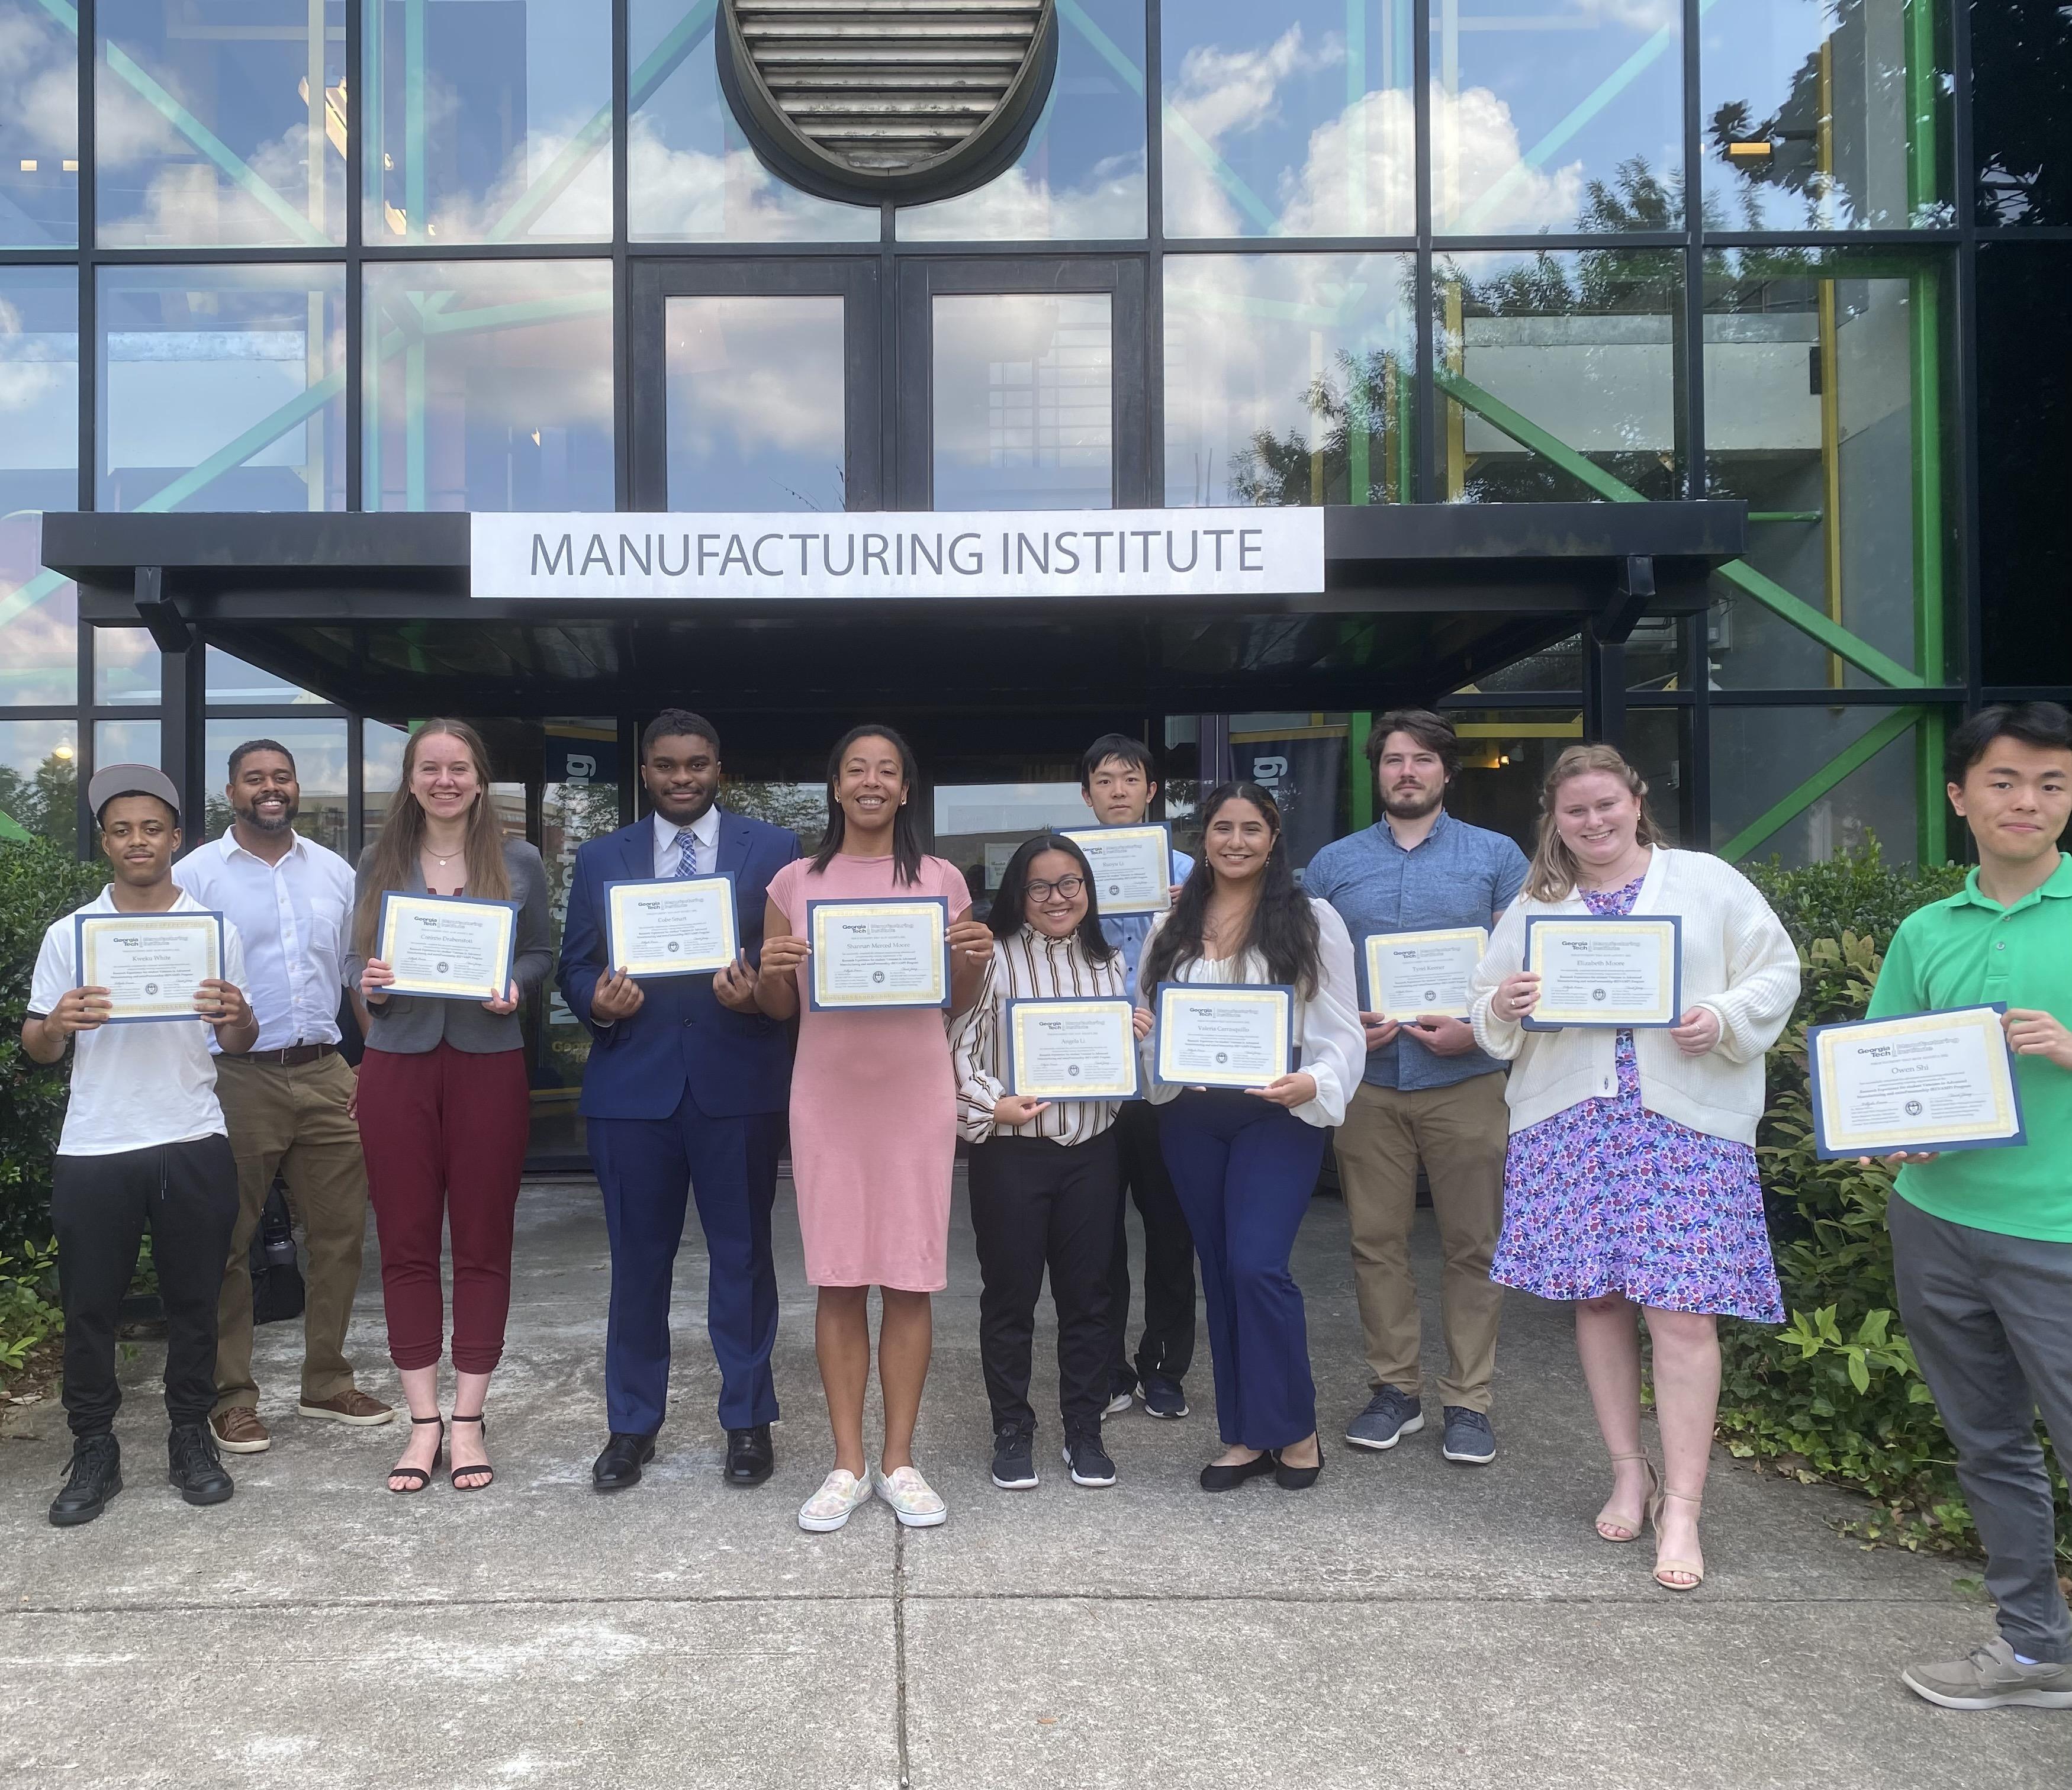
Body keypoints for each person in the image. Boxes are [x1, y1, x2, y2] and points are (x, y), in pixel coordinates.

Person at [1469, 743, 1798, 1591]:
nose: (1593, 822)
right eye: (1575, 811)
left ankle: (1683, 1504)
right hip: (1570, 1124)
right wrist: (1504, 1006)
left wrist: (1722, 1016)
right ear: (1555, 818)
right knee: (1601, 1300)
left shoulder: (1705, 883)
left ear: (1636, 800)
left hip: (1682, 1124)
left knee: (1683, 1315)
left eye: (1606, 805)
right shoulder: (1540, 901)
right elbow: (1485, 1005)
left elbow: (1776, 971)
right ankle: (1628, 1468)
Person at [1864, 703, 2072, 1711]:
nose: (2027, 800)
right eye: (2004, 780)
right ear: (1960, 797)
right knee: (1989, 1441)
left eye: (2051, 782)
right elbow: (1881, 1068)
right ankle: (2035, 1647)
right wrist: (1899, 1128)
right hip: (1937, 1219)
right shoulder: (1924, 929)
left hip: (2060, 1233)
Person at [757, 726, 993, 1532]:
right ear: (834, 786)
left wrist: (974, 955)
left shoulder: (939, 878)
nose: (870, 781)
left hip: (914, 1093)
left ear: (904, 789)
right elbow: (777, 1008)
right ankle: (846, 1464)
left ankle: (899, 1461)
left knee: (909, 1273)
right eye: (855, 768)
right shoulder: (794, 881)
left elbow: (956, 998)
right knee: (838, 1276)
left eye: (886, 771)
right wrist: (769, 973)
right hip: (826, 1097)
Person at [558, 709, 799, 1492]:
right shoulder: (601, 857)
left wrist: (759, 988)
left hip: (738, 1084)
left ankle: (747, 1422)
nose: (683, 778)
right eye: (667, 766)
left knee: (743, 1261)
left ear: (717, 768)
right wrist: (597, 1000)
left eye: (697, 764)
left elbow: (788, 956)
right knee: (637, 1268)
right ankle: (631, 1427)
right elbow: (576, 965)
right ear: (646, 770)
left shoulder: (775, 848)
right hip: (633, 1088)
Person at [27, 764, 258, 1526]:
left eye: (151, 828)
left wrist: (235, 1013)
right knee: (89, 1304)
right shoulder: (72, 935)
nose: (138, 841)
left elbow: (238, 1039)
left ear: (175, 839)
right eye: (122, 829)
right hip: (97, 1140)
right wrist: (57, 1023)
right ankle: (94, 1446)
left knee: (196, 1299)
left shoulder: (213, 931)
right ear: (105, 843)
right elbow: (37, 1048)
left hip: (191, 1134)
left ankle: (191, 1435)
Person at [1305, 710, 1527, 1467]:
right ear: (1378, 773)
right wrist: (1342, 1028)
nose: (1406, 771)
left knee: (1473, 1244)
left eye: (1422, 760)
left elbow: (1518, 963)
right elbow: (1312, 971)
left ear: (1445, 772)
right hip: (1370, 1082)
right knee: (1375, 1243)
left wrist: (1478, 1025)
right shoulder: (1333, 864)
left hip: (1466, 1077)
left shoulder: (1496, 857)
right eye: (1393, 760)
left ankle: (1468, 1402)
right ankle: (1393, 1390)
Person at [1137, 782, 1365, 1493]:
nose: (1234, 841)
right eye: (1221, 828)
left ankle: (1293, 1427)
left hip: (1276, 1114)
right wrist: (1145, 1041)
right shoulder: (1168, 924)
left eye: (1251, 829)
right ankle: (1242, 1433)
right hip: (1190, 1118)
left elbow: (1340, 1028)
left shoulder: (1310, 918)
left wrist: (1316, 1083)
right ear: (1202, 838)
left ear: (1273, 840)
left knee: (1257, 1266)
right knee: (1218, 1267)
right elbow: (1150, 1019)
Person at [345, 720, 552, 1495]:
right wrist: (372, 979)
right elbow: (351, 958)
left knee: (482, 1241)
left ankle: (469, 1418)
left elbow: (541, 953)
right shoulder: (378, 859)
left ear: (479, 778)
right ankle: (422, 1420)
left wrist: (518, 987)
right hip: (397, 1064)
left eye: (458, 767)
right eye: (429, 767)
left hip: (487, 1063)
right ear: (410, 779)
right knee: (403, 1243)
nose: (444, 780)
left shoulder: (520, 860)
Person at [171, 739, 391, 1456]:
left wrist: (373, 1067)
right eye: (254, 779)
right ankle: (231, 1396)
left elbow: (357, 975)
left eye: (282, 777)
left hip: (326, 1068)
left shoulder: (333, 872)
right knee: (229, 1242)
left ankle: (326, 1381)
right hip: (235, 1076)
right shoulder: (194, 876)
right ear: (231, 792)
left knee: (340, 1237)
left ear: (297, 787)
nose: (270, 788)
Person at [949, 832, 1151, 1492]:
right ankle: (1012, 1428)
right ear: (1018, 894)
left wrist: (1134, 1035)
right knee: (1009, 1299)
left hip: (1090, 1151)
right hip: (1011, 1155)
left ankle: (1083, 1429)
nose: (1056, 898)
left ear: (1088, 892)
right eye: (1039, 886)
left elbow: (1120, 1062)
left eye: (1070, 884)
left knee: (1089, 1298)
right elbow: (957, 1054)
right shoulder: (993, 960)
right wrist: (993, 1106)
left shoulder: (1110, 962)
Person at [1079, 733, 1196, 1421]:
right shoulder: (1064, 872)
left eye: (1130, 779)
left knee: (1169, 1230)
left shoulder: (1192, 873)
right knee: (1095, 1236)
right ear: (1087, 794)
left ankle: (1163, 1367)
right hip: (1092, 1079)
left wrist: (1194, 910)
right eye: (1103, 779)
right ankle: (1110, 1368)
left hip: (1166, 1079)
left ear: (1152, 790)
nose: (1117, 790)